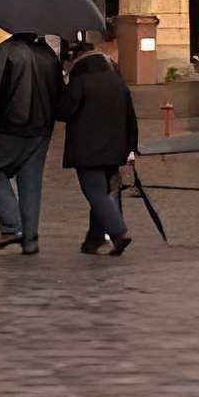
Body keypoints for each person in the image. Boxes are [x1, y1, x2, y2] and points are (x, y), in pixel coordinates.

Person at [0, 29, 65, 255]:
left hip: (11, 125)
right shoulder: (48, 54)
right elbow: (60, 93)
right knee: (31, 182)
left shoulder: (5, 51)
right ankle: (30, 239)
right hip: (41, 128)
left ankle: (12, 227)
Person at [57, 31, 140, 257]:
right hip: (115, 149)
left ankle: (118, 233)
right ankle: (93, 241)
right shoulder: (117, 81)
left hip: (87, 149)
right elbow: (130, 116)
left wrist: (61, 88)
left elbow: (65, 111)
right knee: (102, 191)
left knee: (95, 193)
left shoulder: (80, 81)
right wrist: (131, 146)